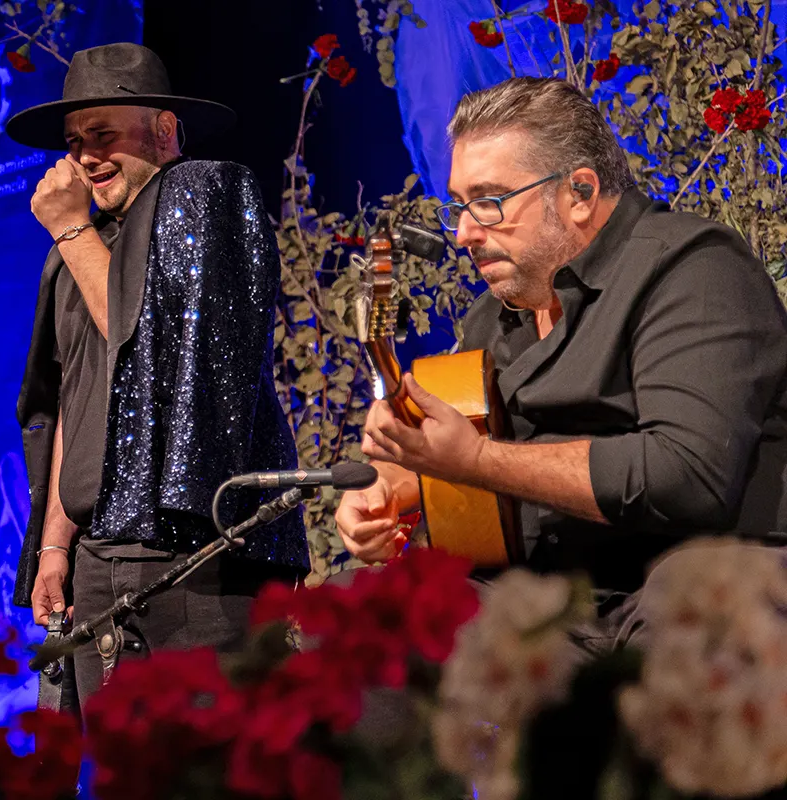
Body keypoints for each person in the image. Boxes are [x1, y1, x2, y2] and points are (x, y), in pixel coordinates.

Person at [336, 76, 787, 649]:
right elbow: (469, 470)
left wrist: (475, 459)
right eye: (458, 206)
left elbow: (686, 476)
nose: (463, 233)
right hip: (556, 607)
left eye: (489, 202)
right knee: (368, 607)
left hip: (695, 587)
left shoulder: (691, 269)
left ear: (578, 192)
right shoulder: (491, 319)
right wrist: (395, 490)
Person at [7, 42, 307, 709]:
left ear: (164, 131)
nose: (86, 155)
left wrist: (67, 231)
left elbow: (150, 351)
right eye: (75, 141)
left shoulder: (202, 193)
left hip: (197, 558)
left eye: (104, 133)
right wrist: (56, 544)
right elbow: (74, 404)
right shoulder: (77, 252)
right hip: (97, 562)